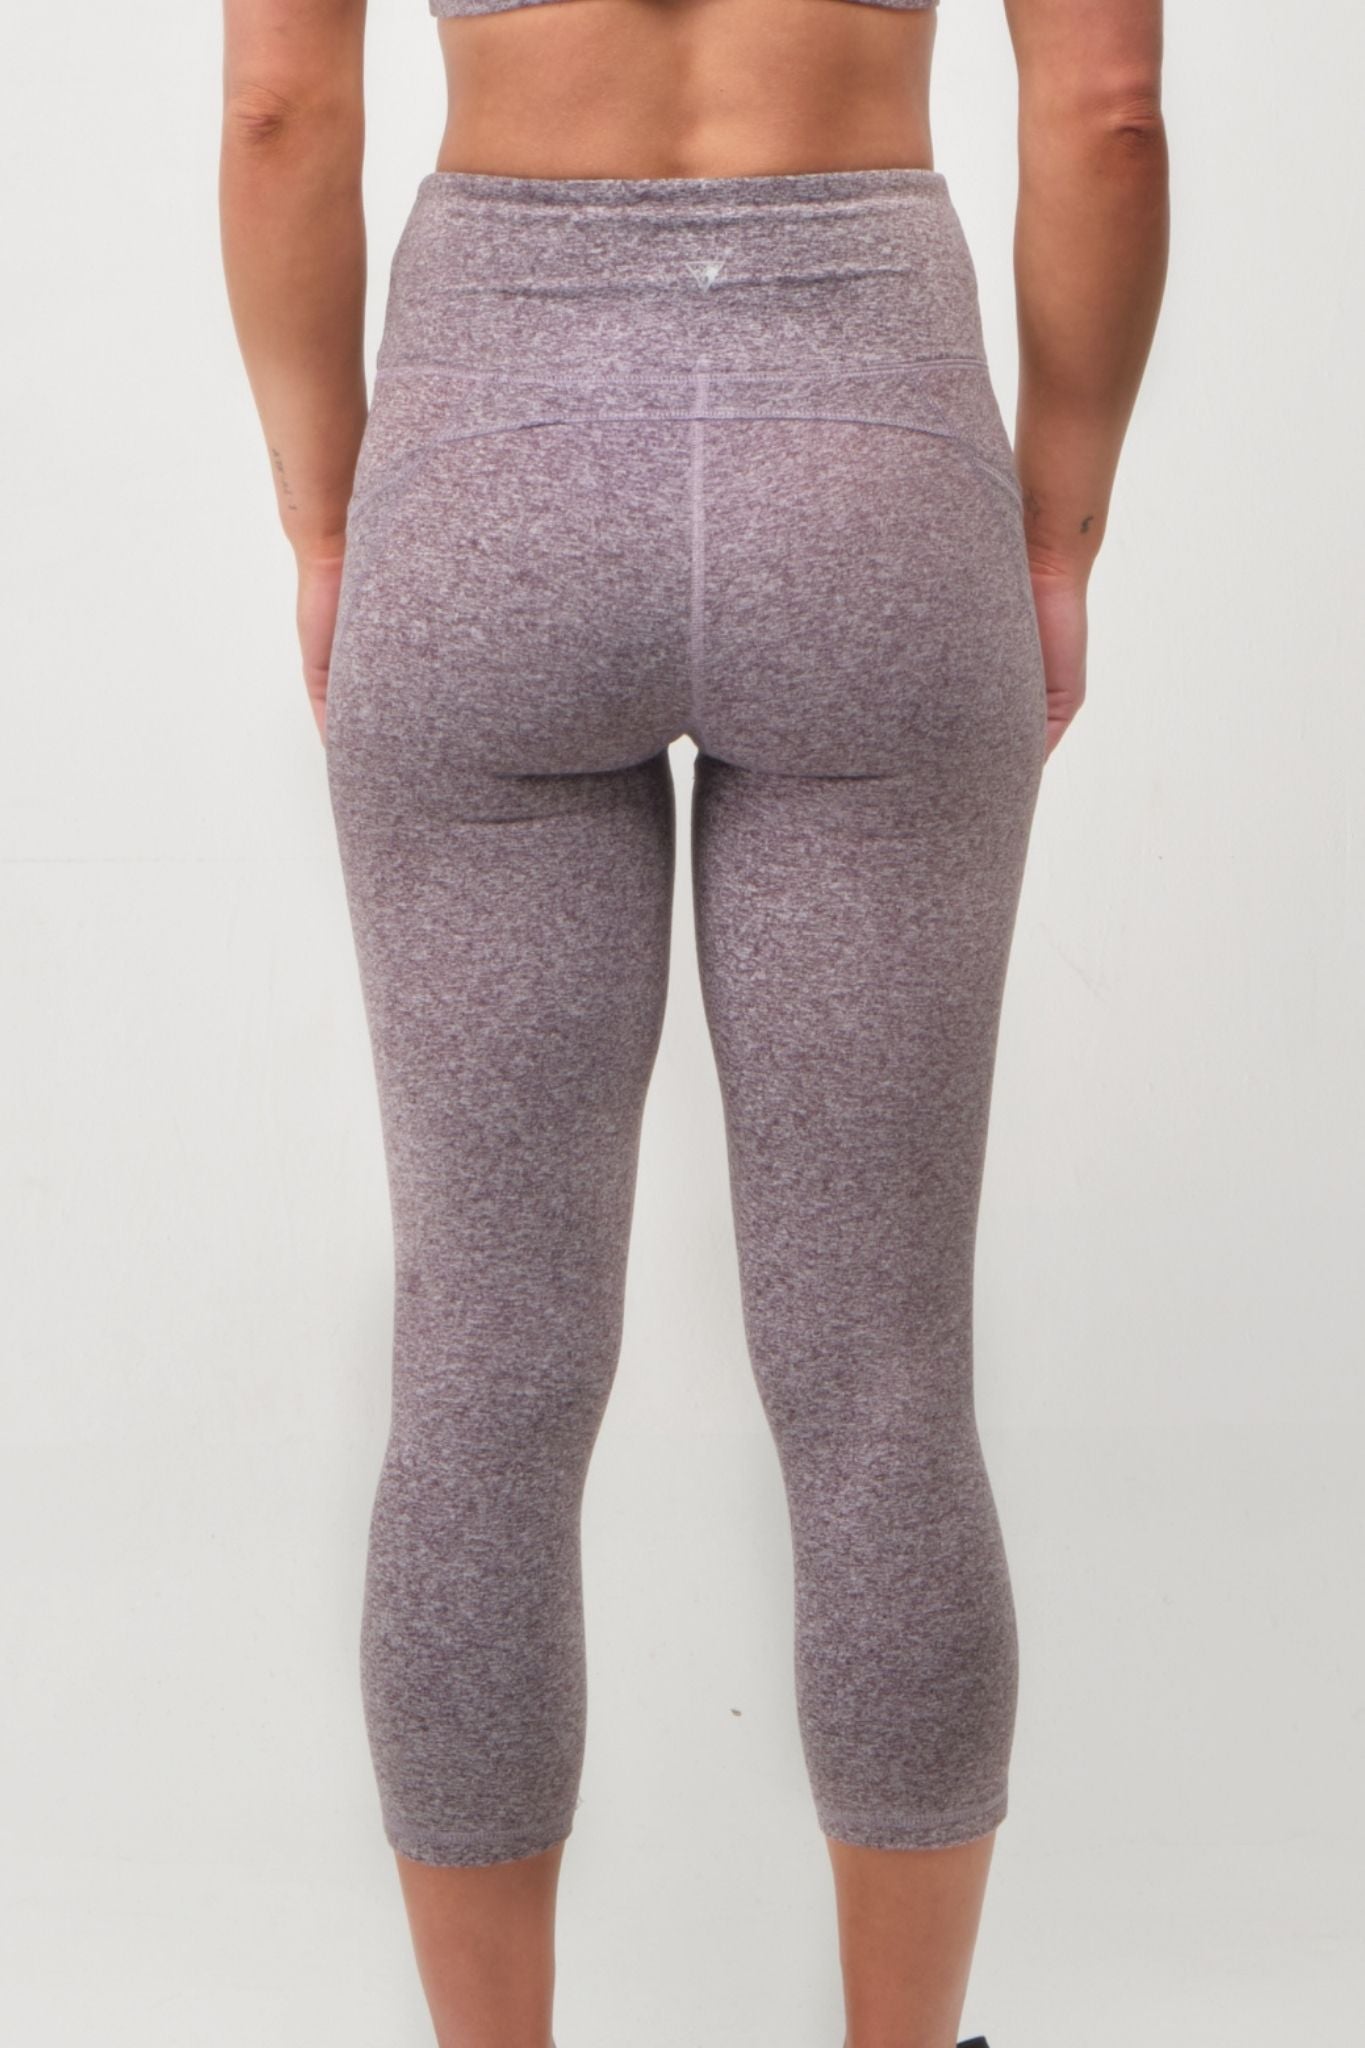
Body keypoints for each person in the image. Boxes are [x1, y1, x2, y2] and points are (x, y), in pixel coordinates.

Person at [219, 1, 1168, 2043]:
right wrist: (1058, 528)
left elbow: (285, 108)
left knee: (482, 1367)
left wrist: (327, 523)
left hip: (486, 457)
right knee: (879, 1377)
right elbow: (1104, 113)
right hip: (872, 452)